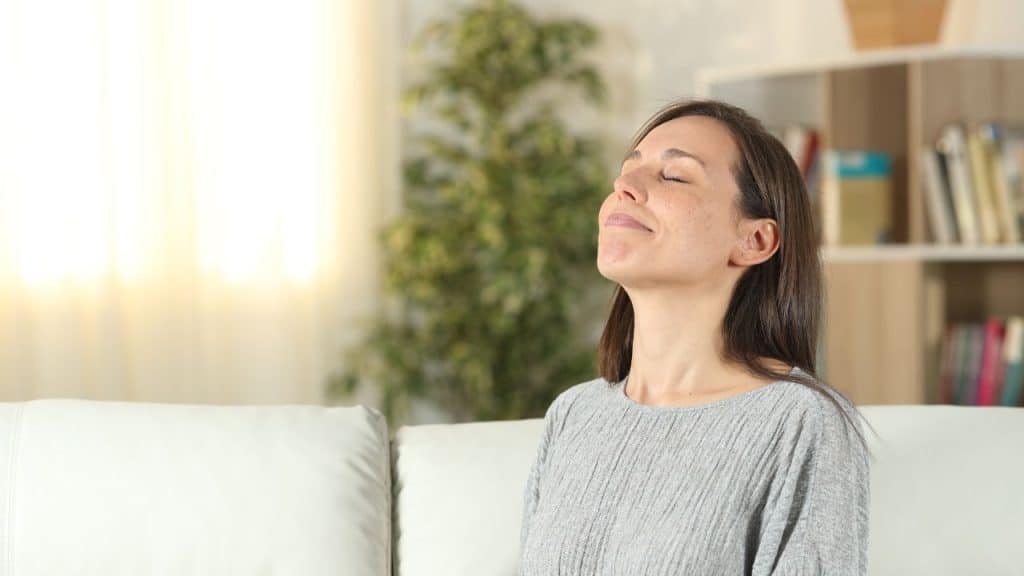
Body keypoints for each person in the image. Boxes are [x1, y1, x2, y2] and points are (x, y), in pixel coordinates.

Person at [519, 98, 875, 575]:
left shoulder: (799, 423)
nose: (624, 187)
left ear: (754, 241)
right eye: (627, 171)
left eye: (674, 176)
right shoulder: (574, 415)